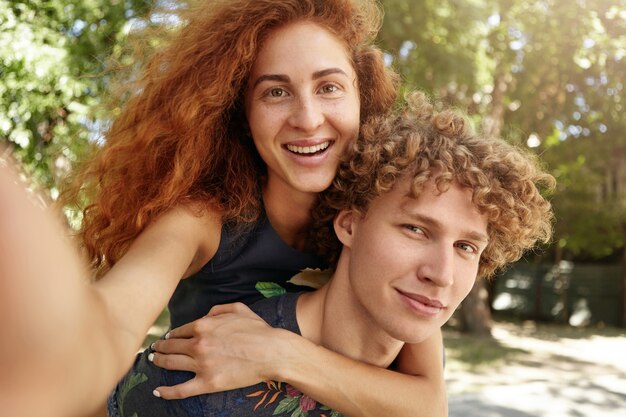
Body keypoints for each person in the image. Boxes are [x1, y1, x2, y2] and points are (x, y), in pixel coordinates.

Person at [49, 0, 447, 416]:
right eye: (276, 92)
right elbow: (110, 322)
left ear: (361, 98)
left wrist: (280, 353)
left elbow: (427, 405)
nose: (308, 119)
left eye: (329, 87)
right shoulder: (200, 219)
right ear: (242, 113)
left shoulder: (386, 217)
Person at [111, 91, 555, 417]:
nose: (441, 274)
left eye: (465, 247)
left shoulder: (413, 349)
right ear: (349, 224)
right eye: (416, 229)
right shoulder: (208, 378)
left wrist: (286, 356)